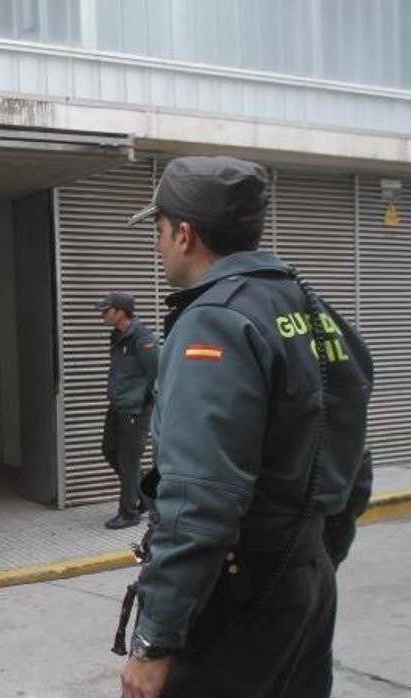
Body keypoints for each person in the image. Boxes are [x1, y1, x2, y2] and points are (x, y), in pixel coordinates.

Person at [116, 157, 373, 698]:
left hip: (241, 594)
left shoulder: (214, 320)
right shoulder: (312, 307)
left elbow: (199, 499)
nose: (158, 246)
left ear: (184, 234)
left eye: (159, 232)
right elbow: (353, 460)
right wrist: (315, 554)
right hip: (305, 579)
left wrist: (154, 640)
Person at [95, 291, 159, 529]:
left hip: (135, 410)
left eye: (106, 310)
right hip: (117, 405)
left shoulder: (142, 338)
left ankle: (129, 512)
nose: (103, 315)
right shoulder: (117, 336)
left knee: (128, 460)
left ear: (121, 312)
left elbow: (158, 374)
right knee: (109, 451)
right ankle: (143, 496)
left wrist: (143, 404)